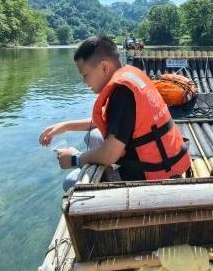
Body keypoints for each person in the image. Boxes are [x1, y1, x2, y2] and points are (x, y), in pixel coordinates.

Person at [39, 35, 191, 189]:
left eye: (85, 75)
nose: (85, 82)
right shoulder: (129, 75)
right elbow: (111, 121)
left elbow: (109, 155)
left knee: (70, 182)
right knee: (92, 136)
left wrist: (74, 159)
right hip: (169, 160)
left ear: (104, 67)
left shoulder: (122, 93)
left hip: (156, 176)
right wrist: (65, 126)